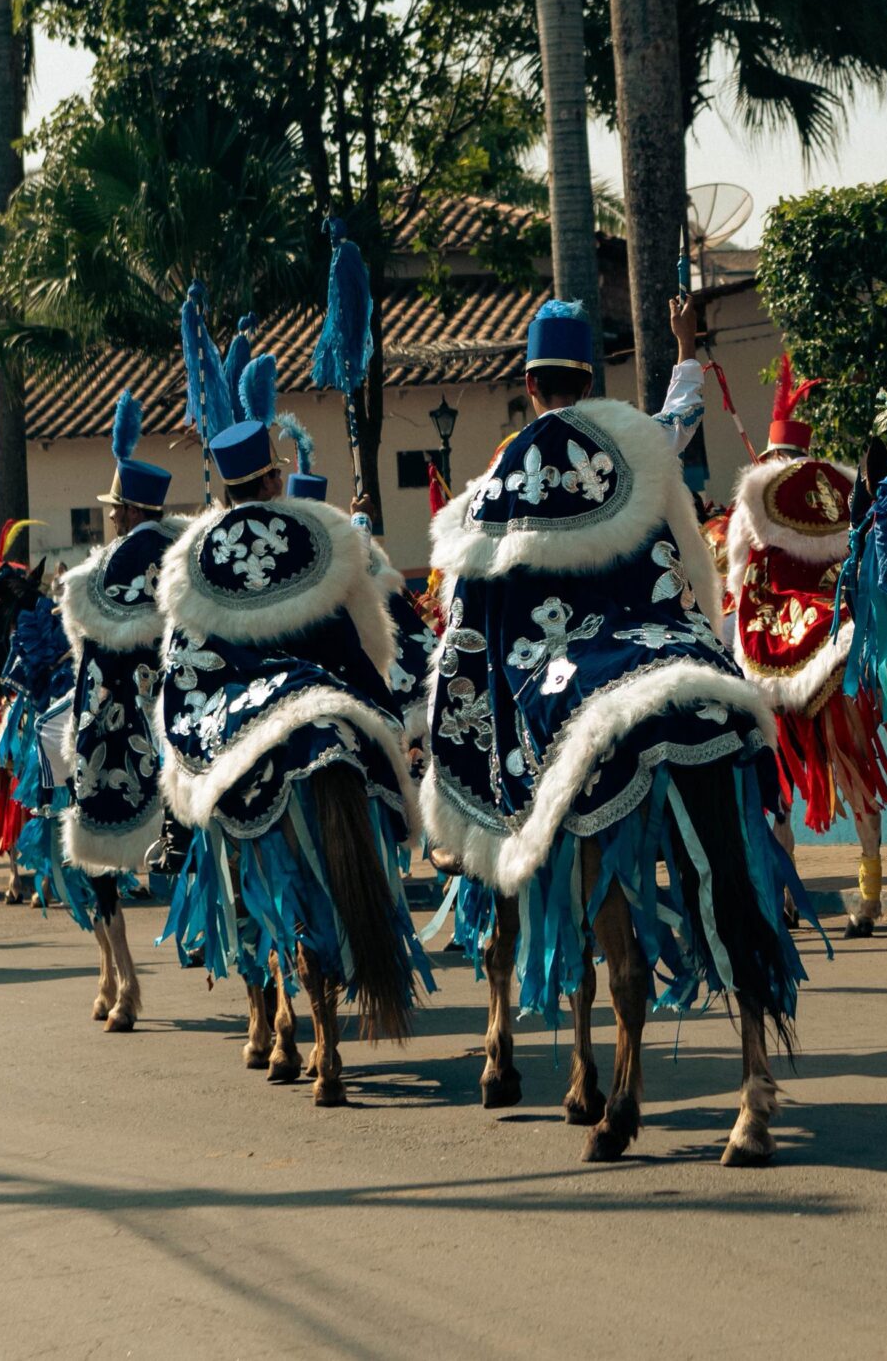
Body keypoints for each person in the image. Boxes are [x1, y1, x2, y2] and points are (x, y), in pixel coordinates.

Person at [419, 296, 806, 1163]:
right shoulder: (635, 440)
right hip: (683, 663)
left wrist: (456, 752)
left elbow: (467, 616)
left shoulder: (504, 474)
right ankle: (754, 1089)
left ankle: (614, 1082)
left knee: (555, 766)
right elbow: (677, 419)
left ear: (528, 385)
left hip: (585, 685)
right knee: (732, 864)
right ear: (591, 382)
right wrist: (682, 349)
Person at [155, 399, 430, 1104]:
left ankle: (279, 1026)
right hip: (326, 708)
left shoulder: (196, 557)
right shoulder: (317, 537)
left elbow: (184, 665)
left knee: (237, 852)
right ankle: (330, 1042)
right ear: (275, 481)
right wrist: (379, 717)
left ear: (222, 488)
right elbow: (355, 640)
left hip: (244, 724)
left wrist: (195, 733)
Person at [725, 355, 887, 934]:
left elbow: (743, 583)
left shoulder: (756, 503)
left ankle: (784, 894)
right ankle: (869, 891)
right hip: (846, 632)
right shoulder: (833, 489)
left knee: (769, 771)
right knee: (859, 778)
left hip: (786, 646)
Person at [51, 394, 180, 1030]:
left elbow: (93, 661)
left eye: (112, 511)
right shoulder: (186, 549)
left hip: (125, 723)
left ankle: (124, 982)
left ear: (127, 511)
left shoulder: (106, 571)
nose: (110, 520)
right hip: (185, 707)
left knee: (69, 757)